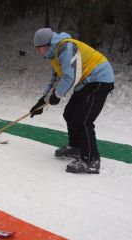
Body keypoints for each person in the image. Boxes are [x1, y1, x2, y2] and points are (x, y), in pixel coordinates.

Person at [30, 28, 115, 174]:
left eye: (40, 48)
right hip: (86, 81)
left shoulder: (65, 47)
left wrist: (57, 95)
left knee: (83, 120)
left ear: (46, 45)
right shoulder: (55, 54)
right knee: (69, 114)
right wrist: (42, 101)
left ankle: (91, 160)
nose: (40, 52)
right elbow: (55, 79)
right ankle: (76, 148)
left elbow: (70, 77)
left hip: (99, 79)